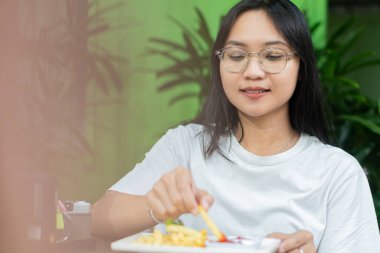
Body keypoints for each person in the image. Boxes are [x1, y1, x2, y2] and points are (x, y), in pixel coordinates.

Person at [91, 0, 380, 252]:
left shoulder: (338, 173)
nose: (253, 72)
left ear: (301, 67)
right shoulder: (186, 146)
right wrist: (155, 206)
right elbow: (99, 218)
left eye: (273, 56)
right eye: (237, 56)